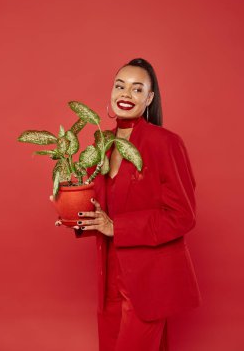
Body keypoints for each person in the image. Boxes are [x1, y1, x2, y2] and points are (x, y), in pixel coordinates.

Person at [53, 58, 202, 351]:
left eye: (137, 89)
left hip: (148, 283)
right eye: (120, 86)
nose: (126, 94)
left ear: (149, 98)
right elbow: (102, 209)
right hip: (109, 277)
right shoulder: (102, 143)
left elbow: (183, 216)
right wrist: (74, 215)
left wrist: (116, 226)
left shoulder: (165, 143)